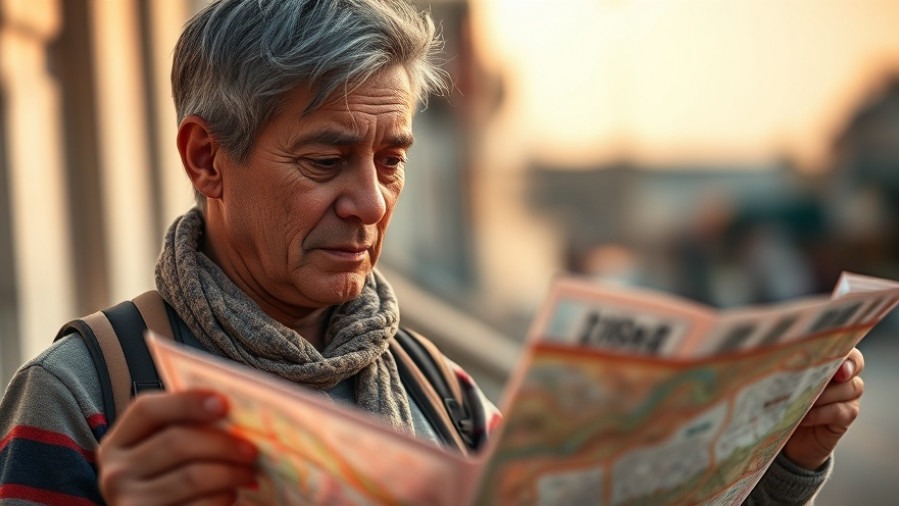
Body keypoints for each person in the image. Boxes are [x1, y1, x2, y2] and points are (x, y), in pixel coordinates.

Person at [0, 0, 865, 504]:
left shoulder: (439, 390)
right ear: (205, 160)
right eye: (325, 160)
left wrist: (784, 454)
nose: (371, 203)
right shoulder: (85, 394)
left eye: (391, 159)